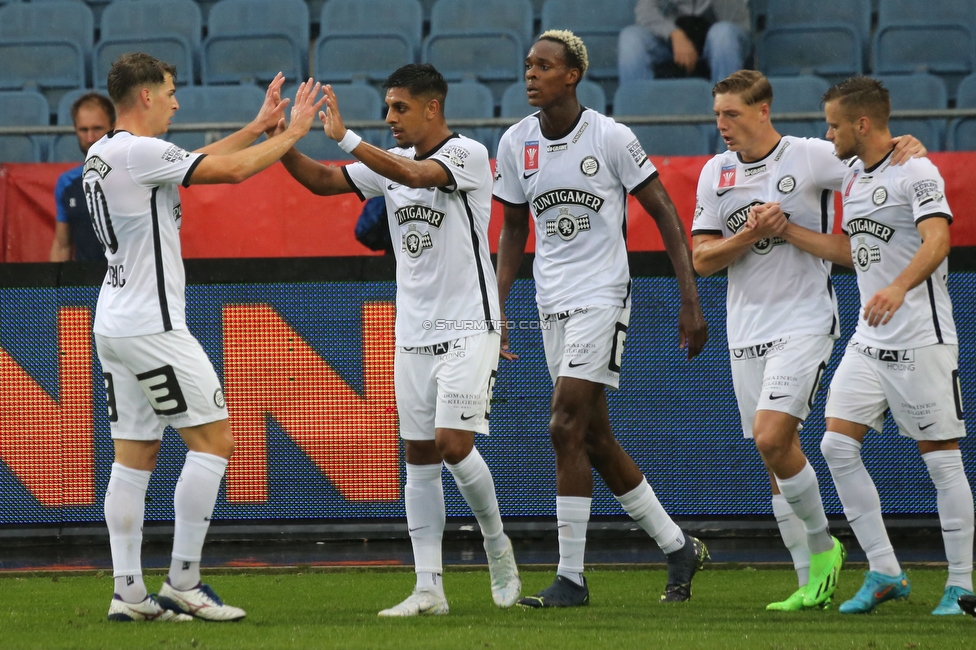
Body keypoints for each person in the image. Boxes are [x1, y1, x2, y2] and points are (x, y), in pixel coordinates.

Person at [267, 63, 521, 617]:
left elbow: (419, 178)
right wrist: (279, 138)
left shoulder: (468, 156)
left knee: (454, 446)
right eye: (386, 108)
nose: (390, 118)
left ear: (433, 107)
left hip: (468, 326)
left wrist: (348, 138)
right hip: (412, 331)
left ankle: (496, 543)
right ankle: (429, 588)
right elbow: (321, 181)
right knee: (419, 458)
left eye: (399, 108)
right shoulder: (389, 164)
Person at [89, 52, 325, 622]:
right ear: (145, 95)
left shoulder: (105, 152)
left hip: (113, 324)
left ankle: (128, 594)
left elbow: (191, 161)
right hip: (153, 325)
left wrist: (256, 126)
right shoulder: (140, 151)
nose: (177, 101)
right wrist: (293, 131)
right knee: (215, 442)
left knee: (134, 457)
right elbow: (232, 172)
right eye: (169, 91)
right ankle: (184, 580)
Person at [690, 70, 925, 611]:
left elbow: (876, 166)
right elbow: (703, 259)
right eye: (717, 115)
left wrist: (904, 145)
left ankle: (825, 548)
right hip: (743, 329)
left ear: (764, 110)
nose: (722, 125)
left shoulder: (811, 156)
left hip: (804, 320)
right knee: (775, 459)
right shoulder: (715, 172)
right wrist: (749, 235)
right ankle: (810, 582)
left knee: (774, 438)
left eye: (733, 114)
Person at [493, 30, 709, 608]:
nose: (531, 74)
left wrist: (690, 298)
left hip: (603, 296)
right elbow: (515, 229)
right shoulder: (516, 143)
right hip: (550, 300)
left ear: (573, 75)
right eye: (528, 65)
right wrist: (497, 305)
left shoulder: (611, 136)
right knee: (594, 436)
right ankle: (677, 545)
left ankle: (571, 577)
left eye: (544, 65)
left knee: (563, 426)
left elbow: (664, 212)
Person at [774, 75, 973, 616]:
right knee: (837, 447)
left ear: (861, 123)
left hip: (921, 338)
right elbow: (848, 249)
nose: (828, 132)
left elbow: (939, 238)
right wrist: (789, 231)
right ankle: (885, 571)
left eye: (834, 124)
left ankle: (961, 585)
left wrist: (898, 287)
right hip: (870, 339)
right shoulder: (856, 175)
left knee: (942, 461)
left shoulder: (918, 171)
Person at [618, 0, 751, 86]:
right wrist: (674, 34)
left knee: (722, 34)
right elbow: (644, 12)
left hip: (721, 39)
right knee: (631, 38)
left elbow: (733, 19)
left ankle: (729, 116)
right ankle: (639, 120)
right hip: (676, 36)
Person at [50, 92, 116, 262]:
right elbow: (62, 246)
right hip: (85, 285)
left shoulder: (135, 173)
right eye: (83, 130)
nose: (90, 138)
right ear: (75, 130)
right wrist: (54, 287)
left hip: (133, 283)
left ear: (113, 128)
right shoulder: (67, 183)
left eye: (97, 128)